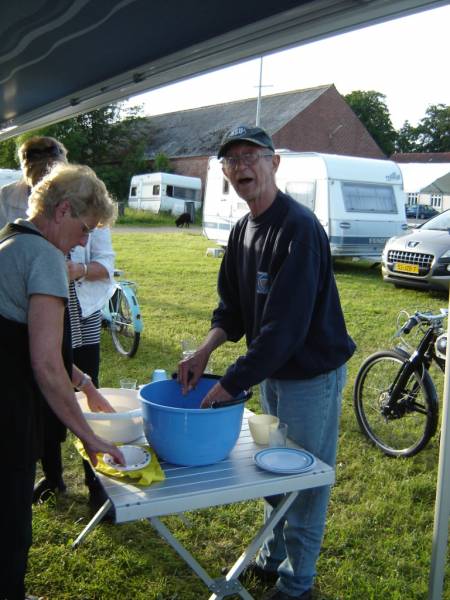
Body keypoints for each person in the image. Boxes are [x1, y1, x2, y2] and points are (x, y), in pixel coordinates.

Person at [178, 125, 356, 600]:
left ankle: (298, 584)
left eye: (250, 156)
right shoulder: (242, 231)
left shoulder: (298, 229)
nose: (241, 167)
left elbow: (285, 330)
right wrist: (205, 350)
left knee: (304, 476)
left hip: (309, 373)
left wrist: (227, 385)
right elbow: (231, 310)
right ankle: (270, 557)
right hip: (273, 370)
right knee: (273, 467)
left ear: (274, 163)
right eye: (231, 160)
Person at [0, 162, 124, 600]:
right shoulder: (47, 259)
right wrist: (88, 437)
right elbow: (45, 366)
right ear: (63, 210)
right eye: (86, 227)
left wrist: (86, 384)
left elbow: (33, 342)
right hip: (9, 414)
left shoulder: (10, 240)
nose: (86, 241)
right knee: (10, 522)